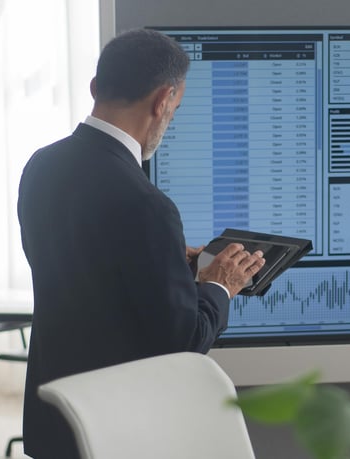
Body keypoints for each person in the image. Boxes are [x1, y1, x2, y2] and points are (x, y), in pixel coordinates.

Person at [17, 29, 266, 458]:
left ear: (95, 87)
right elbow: (184, 343)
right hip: (117, 431)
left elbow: (74, 269)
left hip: (53, 423)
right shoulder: (148, 205)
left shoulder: (41, 165)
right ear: (163, 100)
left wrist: (163, 261)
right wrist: (219, 285)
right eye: (177, 109)